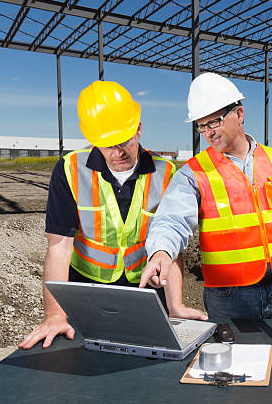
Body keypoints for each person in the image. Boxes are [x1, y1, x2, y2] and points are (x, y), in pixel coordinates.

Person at [140, 73, 272, 404]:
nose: (208, 132)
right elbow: (171, 219)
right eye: (201, 126)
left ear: (239, 114)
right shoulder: (193, 173)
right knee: (235, 379)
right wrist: (161, 252)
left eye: (215, 121)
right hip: (230, 297)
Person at [19, 80, 206, 350]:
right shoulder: (70, 170)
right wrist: (55, 315)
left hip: (146, 291)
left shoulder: (166, 174)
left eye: (124, 142)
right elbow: (59, 249)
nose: (117, 153)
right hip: (87, 290)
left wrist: (174, 305)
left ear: (138, 128)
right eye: (107, 145)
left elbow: (172, 249)